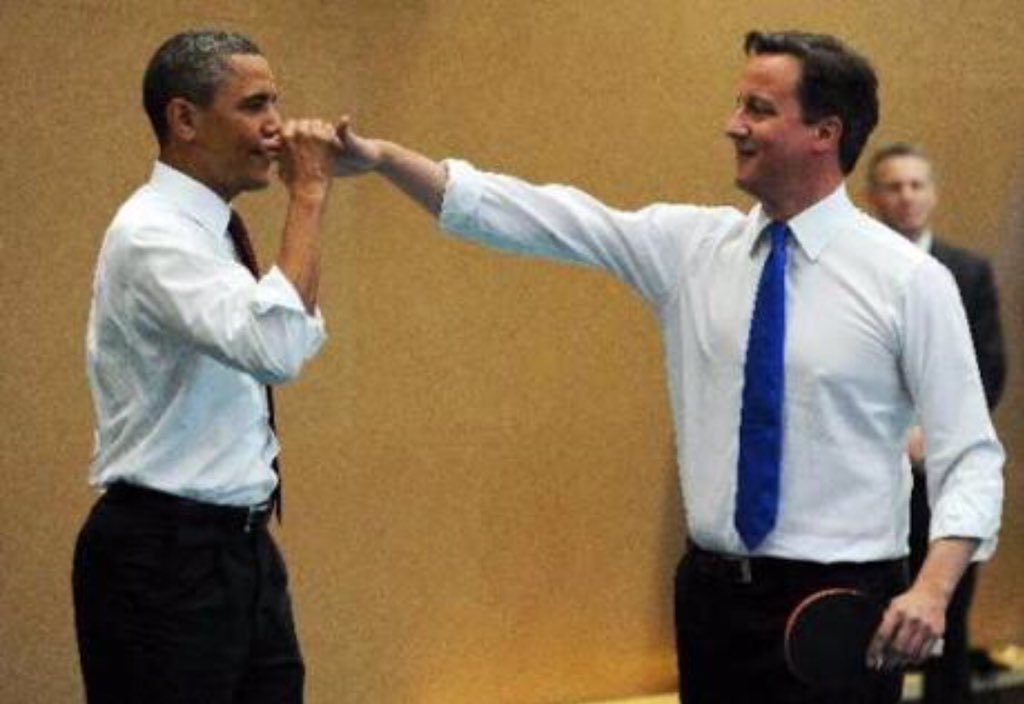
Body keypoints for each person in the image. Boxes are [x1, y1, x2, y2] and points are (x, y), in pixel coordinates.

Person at [330, 30, 1004, 703]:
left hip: (839, 608)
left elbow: (969, 455)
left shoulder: (910, 281)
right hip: (712, 604)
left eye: (759, 109)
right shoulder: (691, 248)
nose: (732, 124)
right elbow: (533, 214)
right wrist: (385, 159)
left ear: (824, 133)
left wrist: (932, 590)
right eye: (739, 104)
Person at [73, 30, 340, 703]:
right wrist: (308, 196)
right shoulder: (152, 234)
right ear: (184, 119)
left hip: (239, 550)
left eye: (275, 101)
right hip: (163, 558)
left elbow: (290, 338)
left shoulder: (211, 231)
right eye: (253, 105)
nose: (276, 124)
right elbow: (277, 348)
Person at [867, 142, 1007, 704]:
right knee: (872, 616)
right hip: (873, 475)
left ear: (933, 194)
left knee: (946, 614)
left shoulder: (967, 272)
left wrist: (934, 437)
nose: (906, 196)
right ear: (871, 197)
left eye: (916, 185)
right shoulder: (856, 269)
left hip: (940, 467)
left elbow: (988, 366)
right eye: (893, 186)